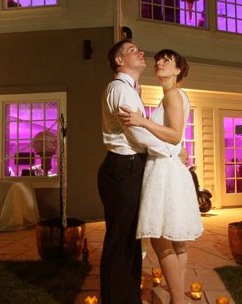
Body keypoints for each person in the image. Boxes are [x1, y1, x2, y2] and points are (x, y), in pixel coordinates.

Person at [98, 39, 181, 304]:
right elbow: (137, 134)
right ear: (119, 61)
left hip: (131, 167)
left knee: (130, 240)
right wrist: (169, 150)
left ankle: (129, 296)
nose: (141, 52)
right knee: (120, 240)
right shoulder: (119, 89)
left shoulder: (132, 90)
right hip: (123, 168)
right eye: (132, 50)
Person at [119, 49, 203, 304]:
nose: (159, 63)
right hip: (171, 168)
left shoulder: (173, 95)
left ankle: (177, 299)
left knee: (161, 240)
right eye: (158, 60)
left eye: (167, 60)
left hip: (164, 172)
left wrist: (142, 121)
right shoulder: (171, 96)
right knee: (177, 243)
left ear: (178, 70)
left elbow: (175, 135)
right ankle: (177, 294)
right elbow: (176, 138)